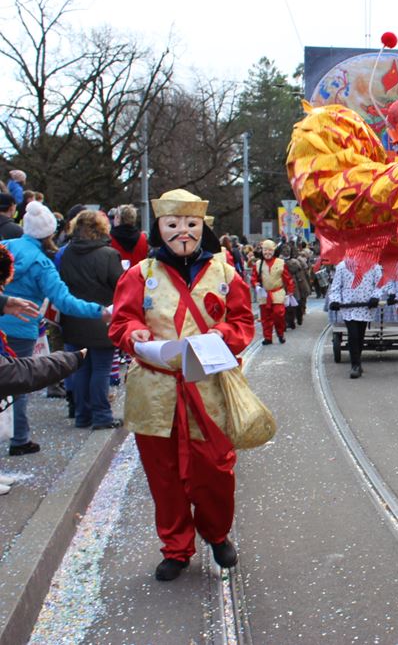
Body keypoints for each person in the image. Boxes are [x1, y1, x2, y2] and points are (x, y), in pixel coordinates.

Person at [109, 188, 255, 582]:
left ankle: (216, 532)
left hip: (208, 388)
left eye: (191, 223)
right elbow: (121, 320)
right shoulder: (140, 274)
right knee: (164, 476)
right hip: (155, 390)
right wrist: (134, 332)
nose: (183, 232)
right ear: (159, 227)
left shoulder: (225, 273)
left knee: (216, 471)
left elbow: (243, 322)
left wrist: (224, 334)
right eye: (173, 224)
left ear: (202, 227)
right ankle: (176, 548)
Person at [1, 202, 109, 456]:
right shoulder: (42, 264)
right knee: (18, 384)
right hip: (21, 329)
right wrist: (100, 311)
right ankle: (20, 438)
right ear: (50, 232)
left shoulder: (5, 248)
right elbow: (64, 301)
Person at [58, 211, 123, 429]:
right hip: (102, 318)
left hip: (73, 318)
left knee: (81, 369)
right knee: (101, 370)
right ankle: (102, 415)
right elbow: (120, 286)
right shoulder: (108, 255)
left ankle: (82, 415)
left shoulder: (66, 253)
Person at [326, 260, 384, 378]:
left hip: (365, 307)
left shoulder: (374, 266)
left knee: (360, 335)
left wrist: (375, 297)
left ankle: (357, 361)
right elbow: (336, 287)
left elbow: (380, 284)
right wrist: (335, 300)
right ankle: (355, 365)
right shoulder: (342, 266)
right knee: (353, 335)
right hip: (349, 307)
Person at [251, 240, 294, 345]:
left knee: (278, 314)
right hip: (264, 294)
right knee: (265, 317)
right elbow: (253, 277)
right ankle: (268, 337)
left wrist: (290, 290)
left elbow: (288, 278)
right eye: (265, 250)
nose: (267, 253)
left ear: (274, 251)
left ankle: (280, 333)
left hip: (277, 293)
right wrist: (255, 283)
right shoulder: (258, 264)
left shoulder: (281, 262)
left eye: (270, 250)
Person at [285, 251, 311, 328]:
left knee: (290, 305)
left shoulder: (289, 265)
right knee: (297, 304)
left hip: (293, 286)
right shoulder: (299, 264)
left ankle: (291, 321)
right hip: (298, 286)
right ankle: (297, 319)